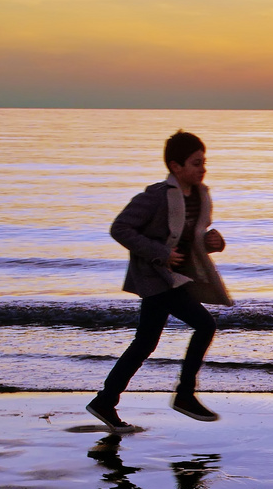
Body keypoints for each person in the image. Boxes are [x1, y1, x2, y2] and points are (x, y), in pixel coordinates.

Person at [86, 130, 232, 430]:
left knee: (145, 343)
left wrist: (211, 242)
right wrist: (160, 253)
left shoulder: (201, 196)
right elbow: (120, 228)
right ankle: (184, 395)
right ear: (176, 167)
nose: (202, 169)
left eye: (204, 162)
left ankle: (105, 401)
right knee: (205, 325)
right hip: (157, 277)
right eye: (195, 163)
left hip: (177, 276)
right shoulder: (156, 196)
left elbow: (190, 239)